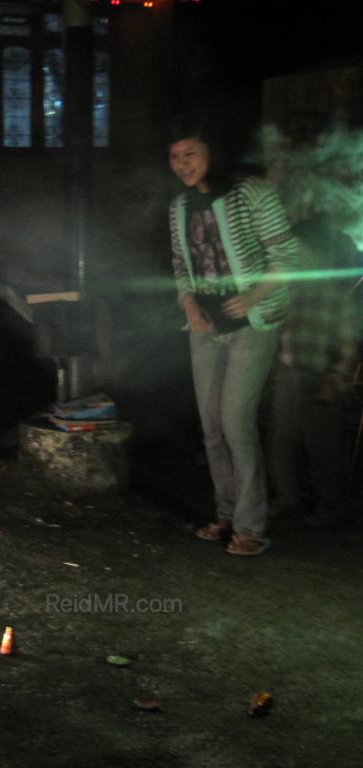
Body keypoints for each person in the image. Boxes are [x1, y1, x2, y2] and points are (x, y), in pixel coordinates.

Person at [168, 114, 299, 556]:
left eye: (191, 153)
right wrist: (188, 304)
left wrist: (253, 296)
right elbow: (181, 266)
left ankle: (251, 527)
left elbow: (288, 255)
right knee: (211, 427)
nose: (183, 164)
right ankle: (225, 516)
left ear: (211, 153)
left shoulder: (251, 193)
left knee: (235, 422)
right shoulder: (181, 207)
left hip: (253, 324)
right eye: (175, 157)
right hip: (205, 327)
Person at [267, 216, 360, 528]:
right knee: (281, 442)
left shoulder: (337, 298)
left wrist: (337, 379)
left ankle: (332, 505)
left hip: (320, 379)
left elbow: (349, 345)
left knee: (323, 447)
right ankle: (288, 497)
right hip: (289, 373)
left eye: (301, 250)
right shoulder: (291, 291)